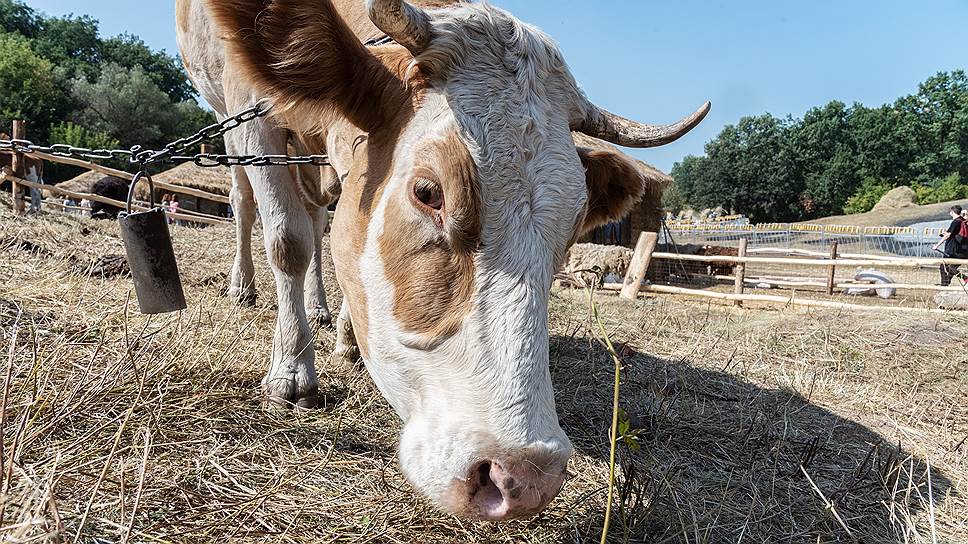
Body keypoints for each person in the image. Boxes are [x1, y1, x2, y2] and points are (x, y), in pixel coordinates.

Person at [932, 205, 966, 286]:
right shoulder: (962, 221)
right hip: (962, 249)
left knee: (944, 267)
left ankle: (945, 284)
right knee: (951, 268)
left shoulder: (956, 222)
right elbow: (952, 233)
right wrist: (944, 233)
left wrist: (937, 245)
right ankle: (946, 283)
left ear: (952, 212)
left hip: (954, 249)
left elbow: (948, 235)